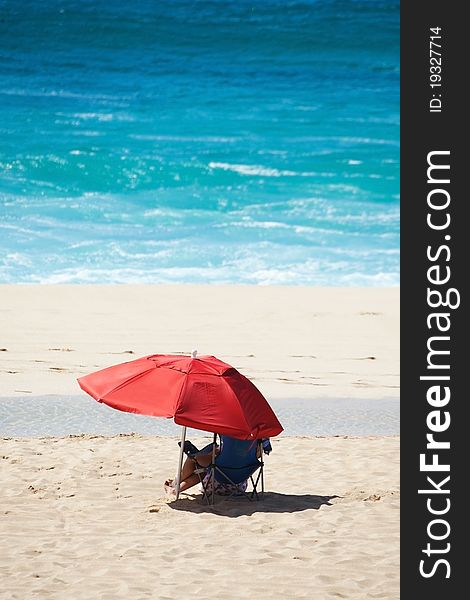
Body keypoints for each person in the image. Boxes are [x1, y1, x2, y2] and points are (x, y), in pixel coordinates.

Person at [164, 436, 271, 498]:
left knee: (195, 460)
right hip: (239, 485)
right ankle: (175, 489)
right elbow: (259, 455)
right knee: (209, 468)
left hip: (215, 486)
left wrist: (207, 453)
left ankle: (175, 484)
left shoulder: (226, 432)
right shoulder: (260, 435)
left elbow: (218, 455)